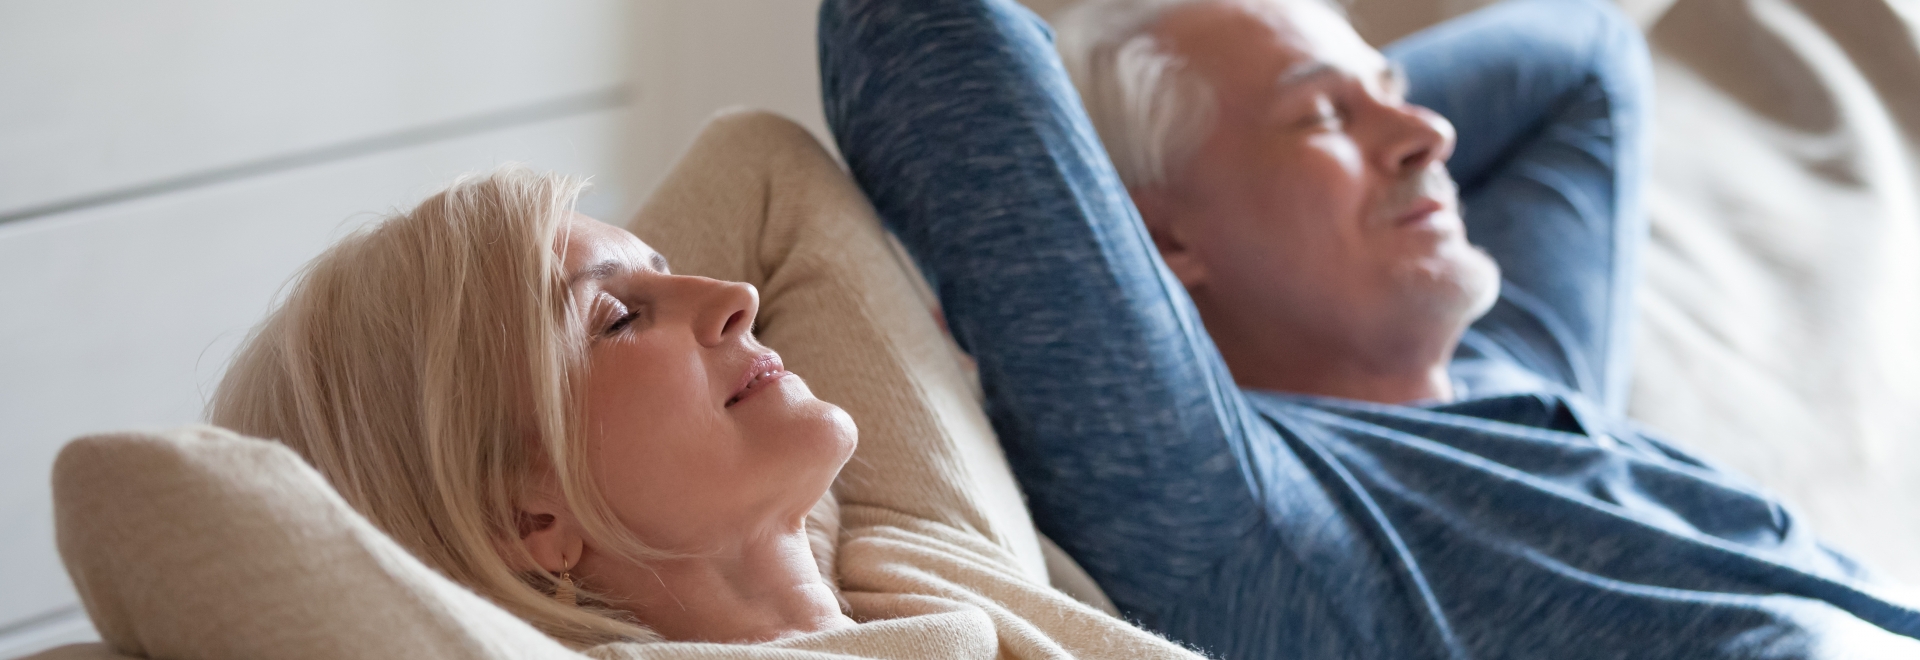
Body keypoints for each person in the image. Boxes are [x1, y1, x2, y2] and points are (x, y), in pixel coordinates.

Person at [817, 0, 1920, 658]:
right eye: (1325, 117)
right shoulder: (1246, 509)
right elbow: (921, 31)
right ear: (1155, 249)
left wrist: (1317, 100)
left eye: (1395, 87)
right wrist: (1130, 184)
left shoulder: (1515, 361)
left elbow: (1585, 61)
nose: (1429, 130)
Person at [202, 111, 1202, 658]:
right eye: (618, 317)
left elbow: (760, 166)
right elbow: (127, 495)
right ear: (525, 515)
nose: (735, 295)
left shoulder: (904, 554)